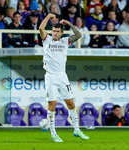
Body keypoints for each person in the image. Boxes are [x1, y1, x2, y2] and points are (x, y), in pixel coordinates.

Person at [39, 13, 89, 142]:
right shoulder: (47, 40)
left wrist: (69, 24)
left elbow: (78, 35)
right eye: (53, 31)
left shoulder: (65, 41)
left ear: (61, 33)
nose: (54, 33)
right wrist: (48, 16)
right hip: (50, 77)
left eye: (57, 31)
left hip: (62, 76)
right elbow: (40, 28)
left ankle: (77, 130)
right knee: (52, 104)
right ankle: (53, 133)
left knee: (71, 103)